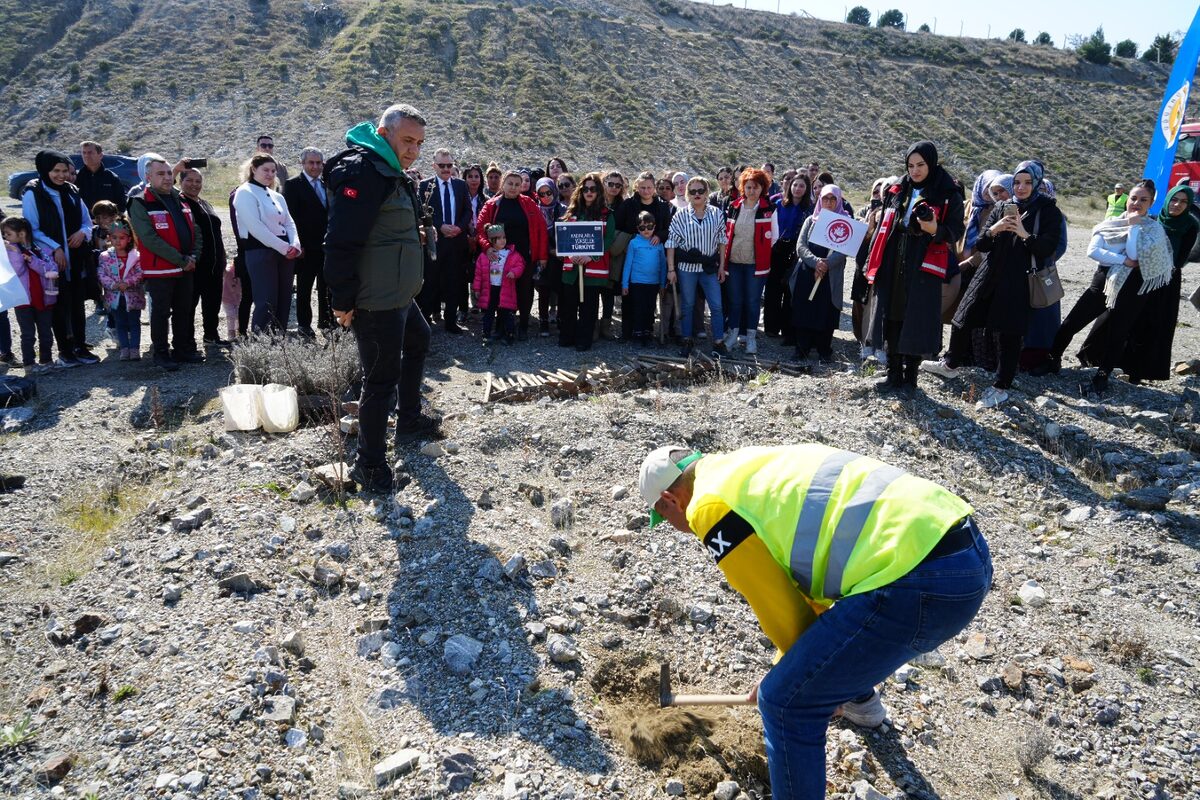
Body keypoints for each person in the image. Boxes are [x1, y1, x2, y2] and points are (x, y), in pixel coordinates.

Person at [638, 443, 990, 800]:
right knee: (824, 647)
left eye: (664, 518)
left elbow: (779, 606)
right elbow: (810, 591)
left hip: (920, 580)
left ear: (670, 500)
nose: (675, 526)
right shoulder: (742, 466)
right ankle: (861, 705)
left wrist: (795, 678)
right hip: (962, 544)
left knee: (784, 703)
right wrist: (801, 666)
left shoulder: (709, 508)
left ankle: (837, 696)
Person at [324, 104, 439, 493]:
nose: (413, 150)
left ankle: (408, 418)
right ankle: (369, 465)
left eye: (419, 143)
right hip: (377, 299)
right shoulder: (364, 170)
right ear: (383, 132)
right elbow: (341, 240)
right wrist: (342, 300)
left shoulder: (388, 168)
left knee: (419, 341)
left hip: (400, 293)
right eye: (407, 140)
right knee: (379, 379)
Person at [922, 161, 1065, 408]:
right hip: (989, 273)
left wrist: (1023, 233)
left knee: (1009, 333)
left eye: (1027, 182)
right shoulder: (1000, 207)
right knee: (963, 317)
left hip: (1019, 279)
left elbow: (1047, 248)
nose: (1021, 188)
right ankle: (950, 365)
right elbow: (982, 243)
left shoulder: (1048, 211)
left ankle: (1001, 386)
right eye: (1017, 182)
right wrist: (995, 229)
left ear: (1037, 184)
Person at [864, 141, 965, 393]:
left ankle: (911, 378)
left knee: (916, 319)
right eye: (910, 165)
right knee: (892, 315)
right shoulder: (898, 188)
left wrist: (935, 230)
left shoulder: (947, 192)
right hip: (893, 262)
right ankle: (893, 373)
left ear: (931, 163)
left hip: (923, 267)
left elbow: (955, 231)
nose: (915, 170)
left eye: (921, 165)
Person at [1056, 180, 1174, 393]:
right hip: (1101, 284)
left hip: (1133, 290)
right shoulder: (1110, 223)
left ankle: (1102, 375)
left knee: (1117, 334)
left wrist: (1134, 227)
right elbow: (1094, 251)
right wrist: (1123, 261)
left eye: (1143, 200)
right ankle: (1052, 359)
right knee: (1071, 323)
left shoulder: (1153, 230)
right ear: (1127, 199)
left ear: (1151, 203)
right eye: (1134, 198)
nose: (1136, 203)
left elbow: (1135, 253)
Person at [21, 150, 100, 367]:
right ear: (45, 170)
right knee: (59, 304)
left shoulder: (72, 191)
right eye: (56, 170)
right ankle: (65, 350)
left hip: (75, 258)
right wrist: (56, 247)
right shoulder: (33, 193)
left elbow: (86, 220)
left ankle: (80, 347)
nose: (61, 175)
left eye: (65, 170)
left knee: (77, 302)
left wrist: (82, 233)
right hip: (51, 261)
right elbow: (32, 229)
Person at [128, 155, 205, 371]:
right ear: (148, 176)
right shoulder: (140, 201)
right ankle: (161, 353)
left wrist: (193, 257)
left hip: (186, 267)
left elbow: (195, 231)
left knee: (184, 310)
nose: (167, 177)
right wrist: (181, 260)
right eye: (160, 174)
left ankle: (181, 349)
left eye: (169, 173)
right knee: (161, 313)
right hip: (160, 270)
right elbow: (149, 238)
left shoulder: (180, 199)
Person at [1118, 185, 1200, 383]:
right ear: (1167, 199)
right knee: (1132, 320)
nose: (1177, 204)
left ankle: (1141, 372)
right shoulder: (1154, 220)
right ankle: (1119, 364)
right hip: (1143, 275)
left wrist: (1160, 266)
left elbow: (1180, 259)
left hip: (1167, 281)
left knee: (1155, 325)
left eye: (1183, 202)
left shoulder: (1190, 225)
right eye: (1174, 199)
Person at [474, 170, 548, 339]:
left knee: (525, 291)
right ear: (503, 184)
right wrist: (487, 248)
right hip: (501, 256)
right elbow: (480, 230)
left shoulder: (529, 203)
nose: (514, 187)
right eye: (510, 183)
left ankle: (523, 325)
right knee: (502, 290)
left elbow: (541, 229)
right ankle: (501, 326)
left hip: (524, 256)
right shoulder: (492, 205)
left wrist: (543, 256)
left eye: (517, 184)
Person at [233, 155, 302, 333]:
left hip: (285, 252)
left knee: (284, 298)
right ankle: (261, 345)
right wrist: (284, 247)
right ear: (254, 169)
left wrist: (295, 244)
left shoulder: (277, 195)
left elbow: (289, 222)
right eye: (266, 170)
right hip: (260, 251)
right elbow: (256, 227)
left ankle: (279, 343)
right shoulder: (244, 192)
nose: (270, 174)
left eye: (273, 171)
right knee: (266, 300)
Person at [666, 176, 728, 357]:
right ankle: (687, 340)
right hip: (687, 268)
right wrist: (671, 269)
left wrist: (722, 266)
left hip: (709, 267)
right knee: (687, 304)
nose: (697, 194)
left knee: (716, 306)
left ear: (707, 192)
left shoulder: (716, 213)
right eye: (692, 191)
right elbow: (671, 243)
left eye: (701, 190)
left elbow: (722, 242)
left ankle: (718, 341)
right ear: (687, 194)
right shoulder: (680, 215)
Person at [722, 168, 778, 355]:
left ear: (763, 188)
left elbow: (774, 237)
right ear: (742, 188)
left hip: (756, 264)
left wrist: (760, 250)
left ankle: (751, 338)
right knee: (735, 301)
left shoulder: (769, 209)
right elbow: (726, 233)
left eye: (756, 187)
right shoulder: (734, 206)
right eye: (748, 187)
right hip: (734, 262)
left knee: (753, 301)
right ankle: (733, 335)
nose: (752, 191)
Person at [557, 172, 614, 351]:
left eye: (593, 189)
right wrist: (570, 255)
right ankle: (567, 337)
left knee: (589, 306)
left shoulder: (607, 215)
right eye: (586, 189)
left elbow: (609, 239)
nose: (589, 192)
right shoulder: (572, 212)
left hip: (593, 268)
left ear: (599, 192)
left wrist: (591, 256)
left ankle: (584, 340)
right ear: (580, 191)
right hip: (573, 267)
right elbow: (563, 237)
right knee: (569, 304)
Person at [792, 185, 849, 364]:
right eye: (825, 198)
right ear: (820, 200)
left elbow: (844, 250)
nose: (829, 202)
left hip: (830, 276)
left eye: (833, 199)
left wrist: (827, 264)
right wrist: (816, 262)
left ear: (839, 201)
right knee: (804, 310)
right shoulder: (811, 220)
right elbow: (800, 246)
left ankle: (824, 350)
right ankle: (802, 348)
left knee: (826, 312)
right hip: (807, 273)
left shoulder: (845, 222)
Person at [419, 148, 472, 332]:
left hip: (456, 242)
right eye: (442, 165)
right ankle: (424, 323)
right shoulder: (425, 186)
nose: (446, 169)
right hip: (436, 242)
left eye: (449, 165)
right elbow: (422, 212)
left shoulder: (460, 185)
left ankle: (451, 322)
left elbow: (468, 211)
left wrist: (459, 227)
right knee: (431, 282)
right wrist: (440, 226)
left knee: (454, 282)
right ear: (434, 166)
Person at [283, 147, 333, 336]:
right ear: (303, 163)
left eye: (318, 163)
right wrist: (297, 244)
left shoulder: (326, 184)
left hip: (325, 247)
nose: (315, 166)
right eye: (311, 163)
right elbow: (291, 218)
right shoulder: (293, 185)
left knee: (326, 286)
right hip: (305, 248)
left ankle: (326, 322)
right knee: (304, 288)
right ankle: (304, 325)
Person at [178, 166, 230, 346]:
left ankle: (211, 336)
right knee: (189, 305)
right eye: (189, 180)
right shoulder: (180, 203)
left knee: (212, 303)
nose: (194, 184)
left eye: (198, 181)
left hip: (214, 265)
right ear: (180, 182)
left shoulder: (204, 203)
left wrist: (223, 259)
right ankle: (187, 342)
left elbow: (216, 233)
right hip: (195, 264)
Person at [2, 217, 57, 373]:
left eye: (8, 233)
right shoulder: (9, 252)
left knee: (45, 332)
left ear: (22, 233)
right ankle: (29, 364)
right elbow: (16, 271)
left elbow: (51, 269)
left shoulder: (40, 249)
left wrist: (32, 260)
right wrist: (17, 254)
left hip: (44, 297)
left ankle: (46, 360)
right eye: (4, 234)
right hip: (23, 300)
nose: (5, 237)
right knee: (27, 334)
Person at [766, 174, 812, 342]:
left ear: (806, 189)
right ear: (789, 187)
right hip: (777, 249)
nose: (797, 189)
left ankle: (788, 330)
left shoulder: (810, 209)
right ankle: (771, 327)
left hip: (797, 251)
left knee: (790, 291)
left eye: (801, 186)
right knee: (773, 289)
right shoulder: (778, 204)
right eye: (795, 185)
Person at [95, 217, 144, 360]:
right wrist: (113, 284)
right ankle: (124, 348)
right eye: (114, 237)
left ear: (129, 239)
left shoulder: (135, 256)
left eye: (122, 238)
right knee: (120, 323)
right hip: (114, 297)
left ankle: (134, 349)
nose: (117, 241)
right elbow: (101, 273)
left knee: (134, 323)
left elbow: (140, 273)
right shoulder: (105, 256)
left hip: (133, 296)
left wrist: (127, 282)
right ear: (109, 238)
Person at [473, 223, 524, 344]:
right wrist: (476, 289)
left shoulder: (511, 253)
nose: (502, 241)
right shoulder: (484, 256)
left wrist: (514, 272)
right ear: (491, 240)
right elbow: (478, 274)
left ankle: (509, 335)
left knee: (506, 313)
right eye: (498, 238)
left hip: (505, 288)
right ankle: (486, 333)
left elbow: (520, 265)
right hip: (490, 288)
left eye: (504, 237)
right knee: (488, 313)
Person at [622, 210, 668, 344]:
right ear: (638, 229)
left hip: (653, 283)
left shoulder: (658, 243)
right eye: (642, 228)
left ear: (654, 227)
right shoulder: (634, 243)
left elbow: (663, 266)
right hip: (637, 282)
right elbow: (628, 264)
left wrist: (662, 283)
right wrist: (625, 284)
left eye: (649, 227)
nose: (646, 230)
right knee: (638, 308)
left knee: (650, 308)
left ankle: (648, 331)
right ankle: (638, 332)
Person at [534, 178, 566, 337]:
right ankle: (543, 321)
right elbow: (534, 236)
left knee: (560, 288)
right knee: (544, 290)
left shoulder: (564, 209)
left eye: (548, 192)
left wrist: (560, 251)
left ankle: (560, 319)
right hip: (542, 256)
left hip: (560, 257)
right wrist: (548, 251)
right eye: (541, 193)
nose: (546, 196)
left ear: (554, 191)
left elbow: (569, 233)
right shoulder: (534, 211)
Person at [76, 141, 127, 213]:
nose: (86, 156)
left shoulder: (111, 178)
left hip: (107, 222)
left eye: (90, 152)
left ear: (100, 155)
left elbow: (121, 204)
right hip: (84, 222)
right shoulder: (77, 177)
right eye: (84, 153)